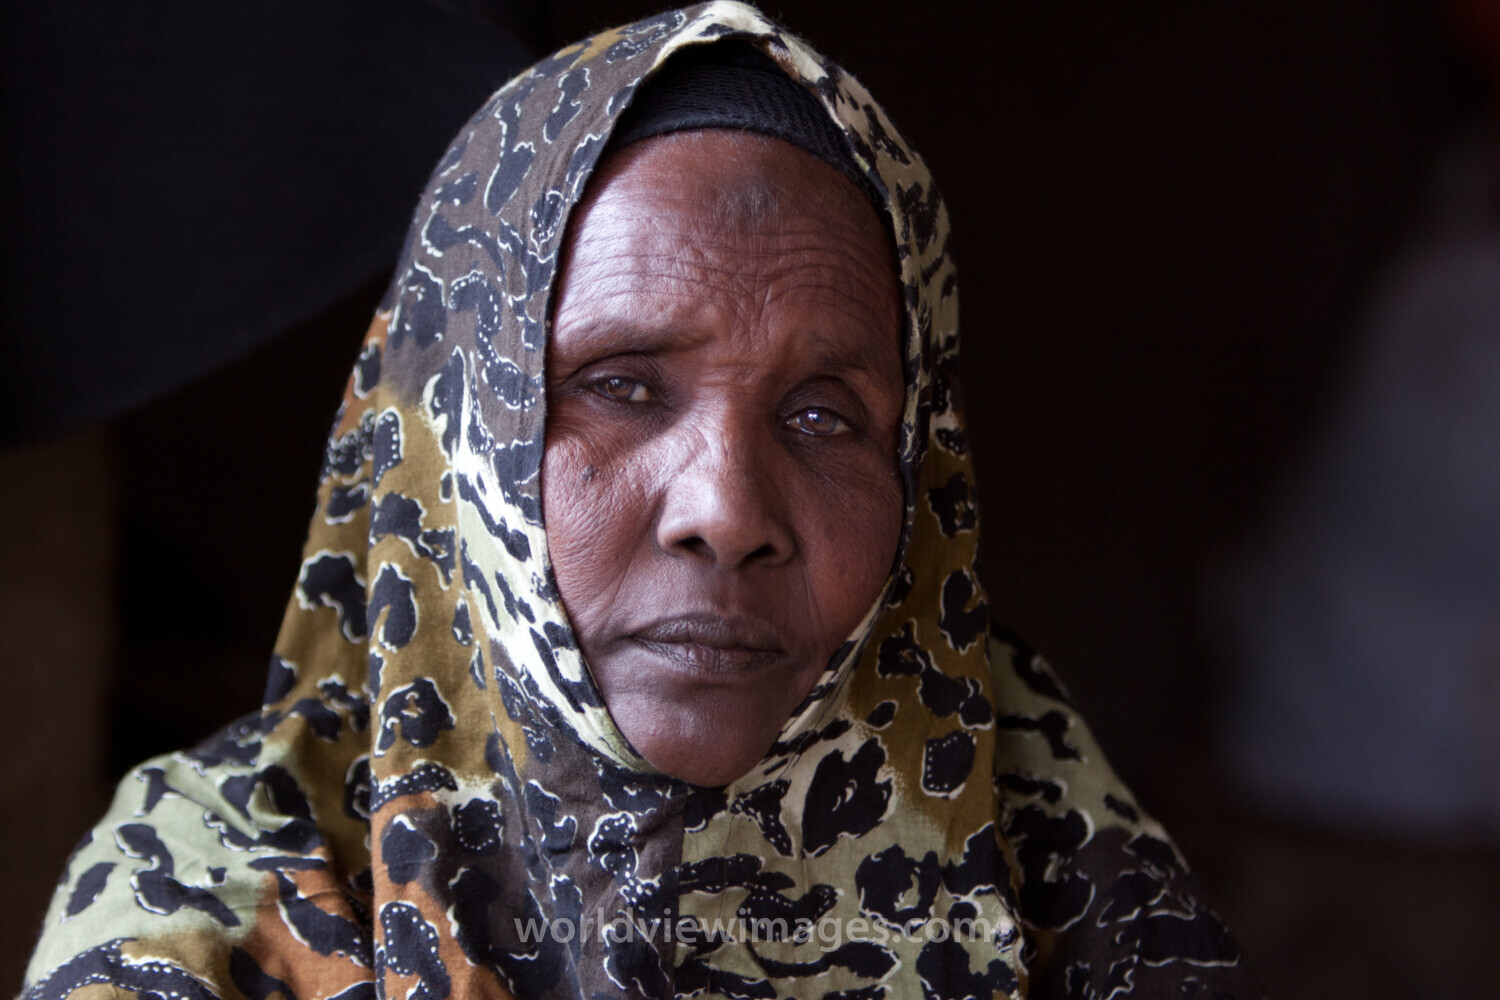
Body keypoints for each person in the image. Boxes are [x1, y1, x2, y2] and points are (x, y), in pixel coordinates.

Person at [24, 5, 1261, 998]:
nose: (727, 512)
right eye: (617, 387)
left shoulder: (1055, 865)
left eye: (826, 415)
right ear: (452, 439)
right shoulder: (213, 919)